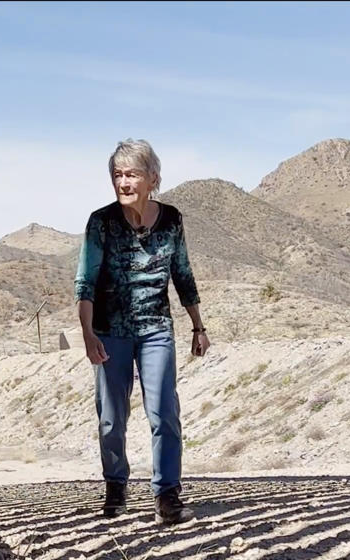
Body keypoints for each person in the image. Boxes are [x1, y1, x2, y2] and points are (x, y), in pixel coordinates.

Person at [75, 139, 208, 523]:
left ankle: (167, 495)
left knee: (164, 411)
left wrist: (198, 326)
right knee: (111, 418)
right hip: (109, 331)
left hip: (156, 330)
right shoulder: (100, 222)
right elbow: (85, 281)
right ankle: (115, 487)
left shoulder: (172, 220)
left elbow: (182, 274)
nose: (123, 182)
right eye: (117, 175)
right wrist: (87, 333)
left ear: (152, 178)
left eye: (131, 174)